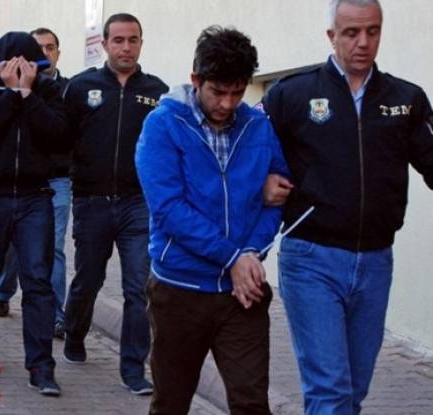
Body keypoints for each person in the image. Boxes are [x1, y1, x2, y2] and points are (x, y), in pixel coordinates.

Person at [261, 1, 433, 413]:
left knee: (353, 391)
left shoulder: (406, 99)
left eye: (373, 31)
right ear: (332, 36)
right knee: (331, 389)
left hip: (375, 262)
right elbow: (243, 152)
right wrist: (260, 181)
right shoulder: (291, 93)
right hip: (311, 259)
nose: (363, 42)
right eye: (352, 32)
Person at [137, 25, 288, 414]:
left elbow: (277, 197)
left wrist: (250, 252)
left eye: (237, 92)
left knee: (252, 403)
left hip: (243, 293)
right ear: (196, 80)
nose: (227, 103)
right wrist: (231, 257)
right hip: (180, 289)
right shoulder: (162, 125)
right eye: (218, 92)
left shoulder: (258, 126)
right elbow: (169, 209)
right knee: (171, 403)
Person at [0, 31, 70, 396]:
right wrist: (8, 94)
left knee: (37, 281)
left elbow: (58, 135)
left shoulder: (49, 89)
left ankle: (41, 366)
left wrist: (27, 95)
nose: (22, 72)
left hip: (35, 196)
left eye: (29, 67)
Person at [61, 13, 167, 395]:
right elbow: (61, 138)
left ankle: (133, 368)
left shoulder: (157, 92)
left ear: (141, 43)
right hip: (92, 202)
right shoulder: (80, 87)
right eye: (118, 40)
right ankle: (74, 332)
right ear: (104, 44)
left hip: (138, 205)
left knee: (139, 287)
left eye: (133, 40)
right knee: (89, 279)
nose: (126, 47)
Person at [0, 27, 71, 340]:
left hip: (58, 178)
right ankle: (3, 291)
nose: (45, 54)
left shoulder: (68, 88)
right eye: (39, 48)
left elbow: (64, 132)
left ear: (58, 53)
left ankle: (56, 315)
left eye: (51, 48)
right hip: (23, 180)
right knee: (14, 244)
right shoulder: (7, 84)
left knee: (54, 247)